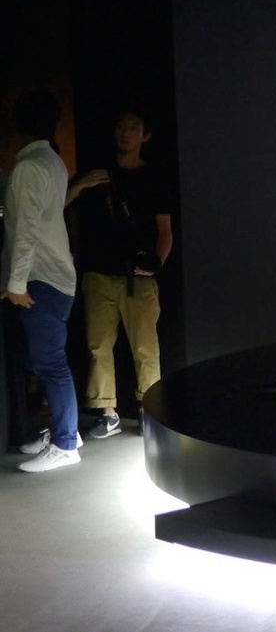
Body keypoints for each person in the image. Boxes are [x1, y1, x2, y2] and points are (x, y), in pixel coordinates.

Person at [67, 109, 171, 439]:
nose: (124, 133)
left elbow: (164, 229)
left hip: (137, 276)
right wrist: (82, 183)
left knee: (145, 347)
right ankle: (107, 411)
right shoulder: (99, 174)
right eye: (120, 126)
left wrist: (157, 263)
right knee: (98, 345)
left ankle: (149, 410)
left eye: (133, 127)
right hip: (98, 272)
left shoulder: (154, 177)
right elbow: (60, 203)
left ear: (146, 135)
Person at [3, 90, 80, 472]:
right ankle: (67, 433)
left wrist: (15, 284)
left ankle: (66, 443)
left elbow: (25, 231)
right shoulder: (51, 161)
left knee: (49, 361)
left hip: (42, 277)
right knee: (48, 358)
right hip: (54, 274)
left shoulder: (31, 166)